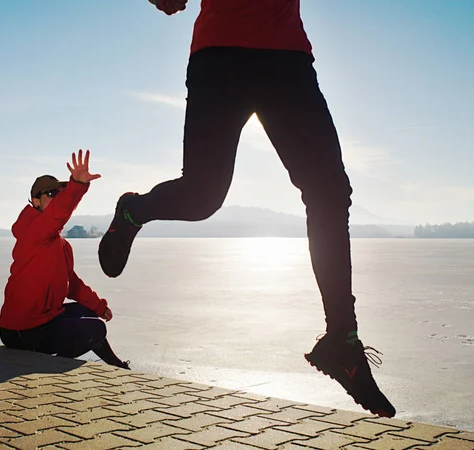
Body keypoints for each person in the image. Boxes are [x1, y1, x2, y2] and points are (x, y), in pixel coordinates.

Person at [99, 0, 396, 415]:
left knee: (329, 191)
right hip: (221, 54)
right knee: (203, 195)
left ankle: (342, 342)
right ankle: (134, 210)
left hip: (286, 54)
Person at [0, 150, 129, 369]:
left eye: (61, 193)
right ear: (35, 201)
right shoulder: (33, 232)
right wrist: (76, 186)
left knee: (88, 313)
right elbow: (57, 214)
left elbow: (72, 284)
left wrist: (99, 306)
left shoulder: (60, 244)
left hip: (44, 320)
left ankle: (116, 365)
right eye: (52, 194)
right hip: (21, 331)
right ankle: (54, 364)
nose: (58, 197)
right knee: (96, 329)